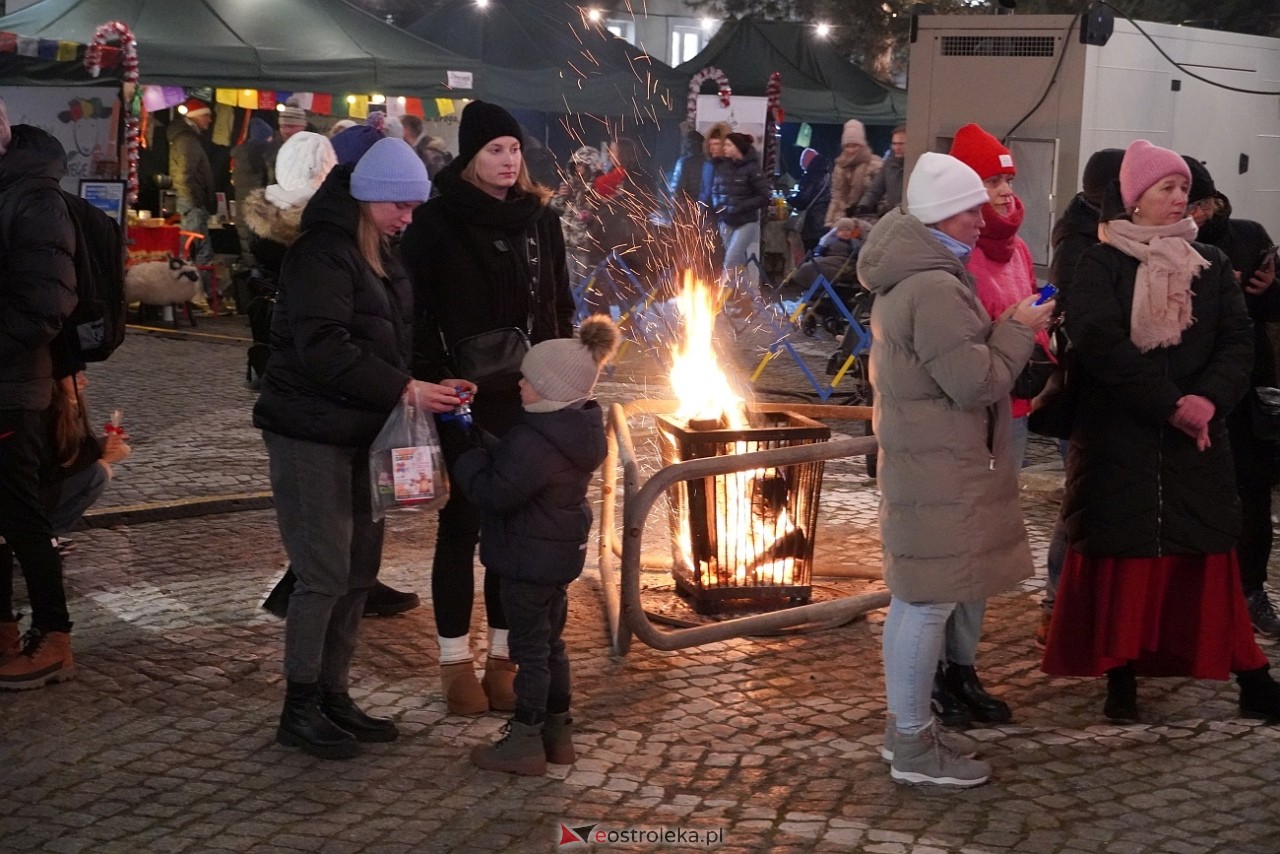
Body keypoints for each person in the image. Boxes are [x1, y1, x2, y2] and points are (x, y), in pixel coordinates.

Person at [1040, 139, 1280, 725]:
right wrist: (1171, 403)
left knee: (1204, 555)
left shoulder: (1211, 263)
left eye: (1184, 189)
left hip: (1196, 438)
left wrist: (1207, 401)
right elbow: (1099, 342)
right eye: (1167, 188)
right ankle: (1121, 676)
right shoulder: (1100, 262)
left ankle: (1251, 676)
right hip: (1119, 438)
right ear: (1134, 199)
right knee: (1126, 559)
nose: (1180, 199)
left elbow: (1238, 341)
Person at [252, 137, 469, 759]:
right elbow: (324, 348)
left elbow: (393, 341)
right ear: (370, 198)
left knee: (357, 572)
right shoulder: (321, 254)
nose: (408, 218)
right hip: (309, 432)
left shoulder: (380, 253)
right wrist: (405, 388)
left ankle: (334, 694)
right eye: (400, 205)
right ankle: (299, 706)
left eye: (414, 207)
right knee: (322, 572)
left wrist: (434, 381)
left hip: (362, 429)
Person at [857, 151, 1053, 787]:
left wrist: (1002, 325)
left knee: (914, 602)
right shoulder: (936, 286)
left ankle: (906, 733)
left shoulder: (913, 275)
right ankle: (915, 747)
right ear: (943, 215)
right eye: (970, 208)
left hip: (927, 462)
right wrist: (1019, 328)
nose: (982, 217)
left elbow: (952, 364)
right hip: (943, 467)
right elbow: (976, 383)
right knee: (927, 606)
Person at [402, 100, 575, 717]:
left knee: (517, 528)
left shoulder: (540, 220)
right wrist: (432, 377)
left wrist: (561, 378)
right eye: (494, 150)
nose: (507, 160)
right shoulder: (436, 221)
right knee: (464, 522)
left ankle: (504, 657)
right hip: (463, 397)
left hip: (530, 395)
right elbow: (413, 312)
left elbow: (559, 306)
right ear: (471, 156)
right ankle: (454, 660)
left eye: (514, 149)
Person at [441, 315, 620, 776]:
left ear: (550, 389)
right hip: (554, 558)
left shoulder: (534, 441)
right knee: (550, 645)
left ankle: (523, 741)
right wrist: (477, 433)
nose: (519, 383)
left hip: (525, 561)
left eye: (528, 378)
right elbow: (514, 464)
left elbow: (493, 491)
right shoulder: (570, 430)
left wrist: (463, 448)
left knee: (530, 653)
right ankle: (558, 735)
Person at [912, 123, 1047, 728]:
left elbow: (1020, 317)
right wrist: (1015, 326)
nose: (1003, 192)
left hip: (1010, 414)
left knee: (984, 550)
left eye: (1006, 180)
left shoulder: (1016, 249)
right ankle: (934, 674)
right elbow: (962, 348)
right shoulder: (948, 259)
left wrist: (1039, 325)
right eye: (991, 180)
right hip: (965, 417)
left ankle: (962, 665)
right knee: (952, 550)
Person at [1182, 155, 1280, 638]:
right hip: (1192, 386)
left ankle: (1250, 590)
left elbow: (1273, 310)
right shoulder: (1167, 243)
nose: (1198, 214)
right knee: (1195, 495)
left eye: (1204, 203)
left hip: (1248, 388)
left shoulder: (1249, 235)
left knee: (1253, 494)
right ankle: (1193, 601)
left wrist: (1269, 290)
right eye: (1189, 205)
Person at [0, 108, 80, 689]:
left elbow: (44, 307)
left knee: (20, 514)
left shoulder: (34, 199)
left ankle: (54, 636)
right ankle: (3, 629)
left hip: (12, 386)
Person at [1036, 148, 1125, 645]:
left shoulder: (1095, 230)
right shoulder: (1081, 243)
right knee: (1080, 499)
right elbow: (1080, 323)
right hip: (1086, 392)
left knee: (1092, 499)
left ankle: (1083, 606)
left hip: (1104, 391)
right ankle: (1057, 604)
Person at [167, 98, 217, 306]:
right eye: (207, 115)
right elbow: (185, 175)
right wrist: (195, 201)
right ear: (195, 116)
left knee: (193, 249)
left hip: (190, 203)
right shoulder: (188, 140)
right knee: (198, 250)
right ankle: (198, 296)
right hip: (192, 205)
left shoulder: (186, 139)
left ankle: (196, 295)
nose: (210, 120)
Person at [713, 132, 771, 290]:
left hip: (746, 222)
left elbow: (765, 196)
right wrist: (719, 207)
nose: (724, 148)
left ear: (737, 147)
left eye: (728, 145)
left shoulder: (752, 169)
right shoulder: (722, 167)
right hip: (726, 221)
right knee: (738, 261)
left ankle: (720, 295)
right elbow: (715, 190)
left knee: (731, 259)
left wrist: (740, 207)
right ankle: (746, 295)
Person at [553, 145, 601, 285]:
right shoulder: (570, 184)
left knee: (585, 283)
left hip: (585, 246)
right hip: (567, 242)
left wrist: (590, 216)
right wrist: (562, 195)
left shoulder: (596, 187)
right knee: (569, 282)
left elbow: (601, 212)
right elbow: (556, 206)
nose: (578, 168)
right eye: (576, 164)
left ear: (590, 166)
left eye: (581, 164)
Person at [230, 117, 275, 259]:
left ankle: (250, 270)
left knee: (247, 246)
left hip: (242, 209)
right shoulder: (264, 156)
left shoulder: (240, 157)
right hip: (259, 209)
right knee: (260, 248)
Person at [825, 119, 881, 227]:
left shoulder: (875, 164)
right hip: (844, 219)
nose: (851, 150)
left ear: (862, 145)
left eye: (855, 145)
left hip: (869, 220)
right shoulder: (840, 165)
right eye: (847, 146)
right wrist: (830, 220)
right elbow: (837, 196)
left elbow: (881, 196)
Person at [787, 147, 832, 254]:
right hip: (825, 221)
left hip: (812, 223)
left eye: (802, 162)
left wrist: (789, 199)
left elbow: (803, 200)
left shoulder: (812, 175)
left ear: (807, 160)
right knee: (820, 253)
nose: (801, 166)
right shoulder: (828, 174)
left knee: (809, 253)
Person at [855, 125, 905, 217]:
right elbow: (875, 189)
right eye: (894, 144)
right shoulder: (888, 165)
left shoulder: (918, 165)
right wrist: (863, 206)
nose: (896, 147)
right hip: (892, 215)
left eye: (901, 144)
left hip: (910, 216)